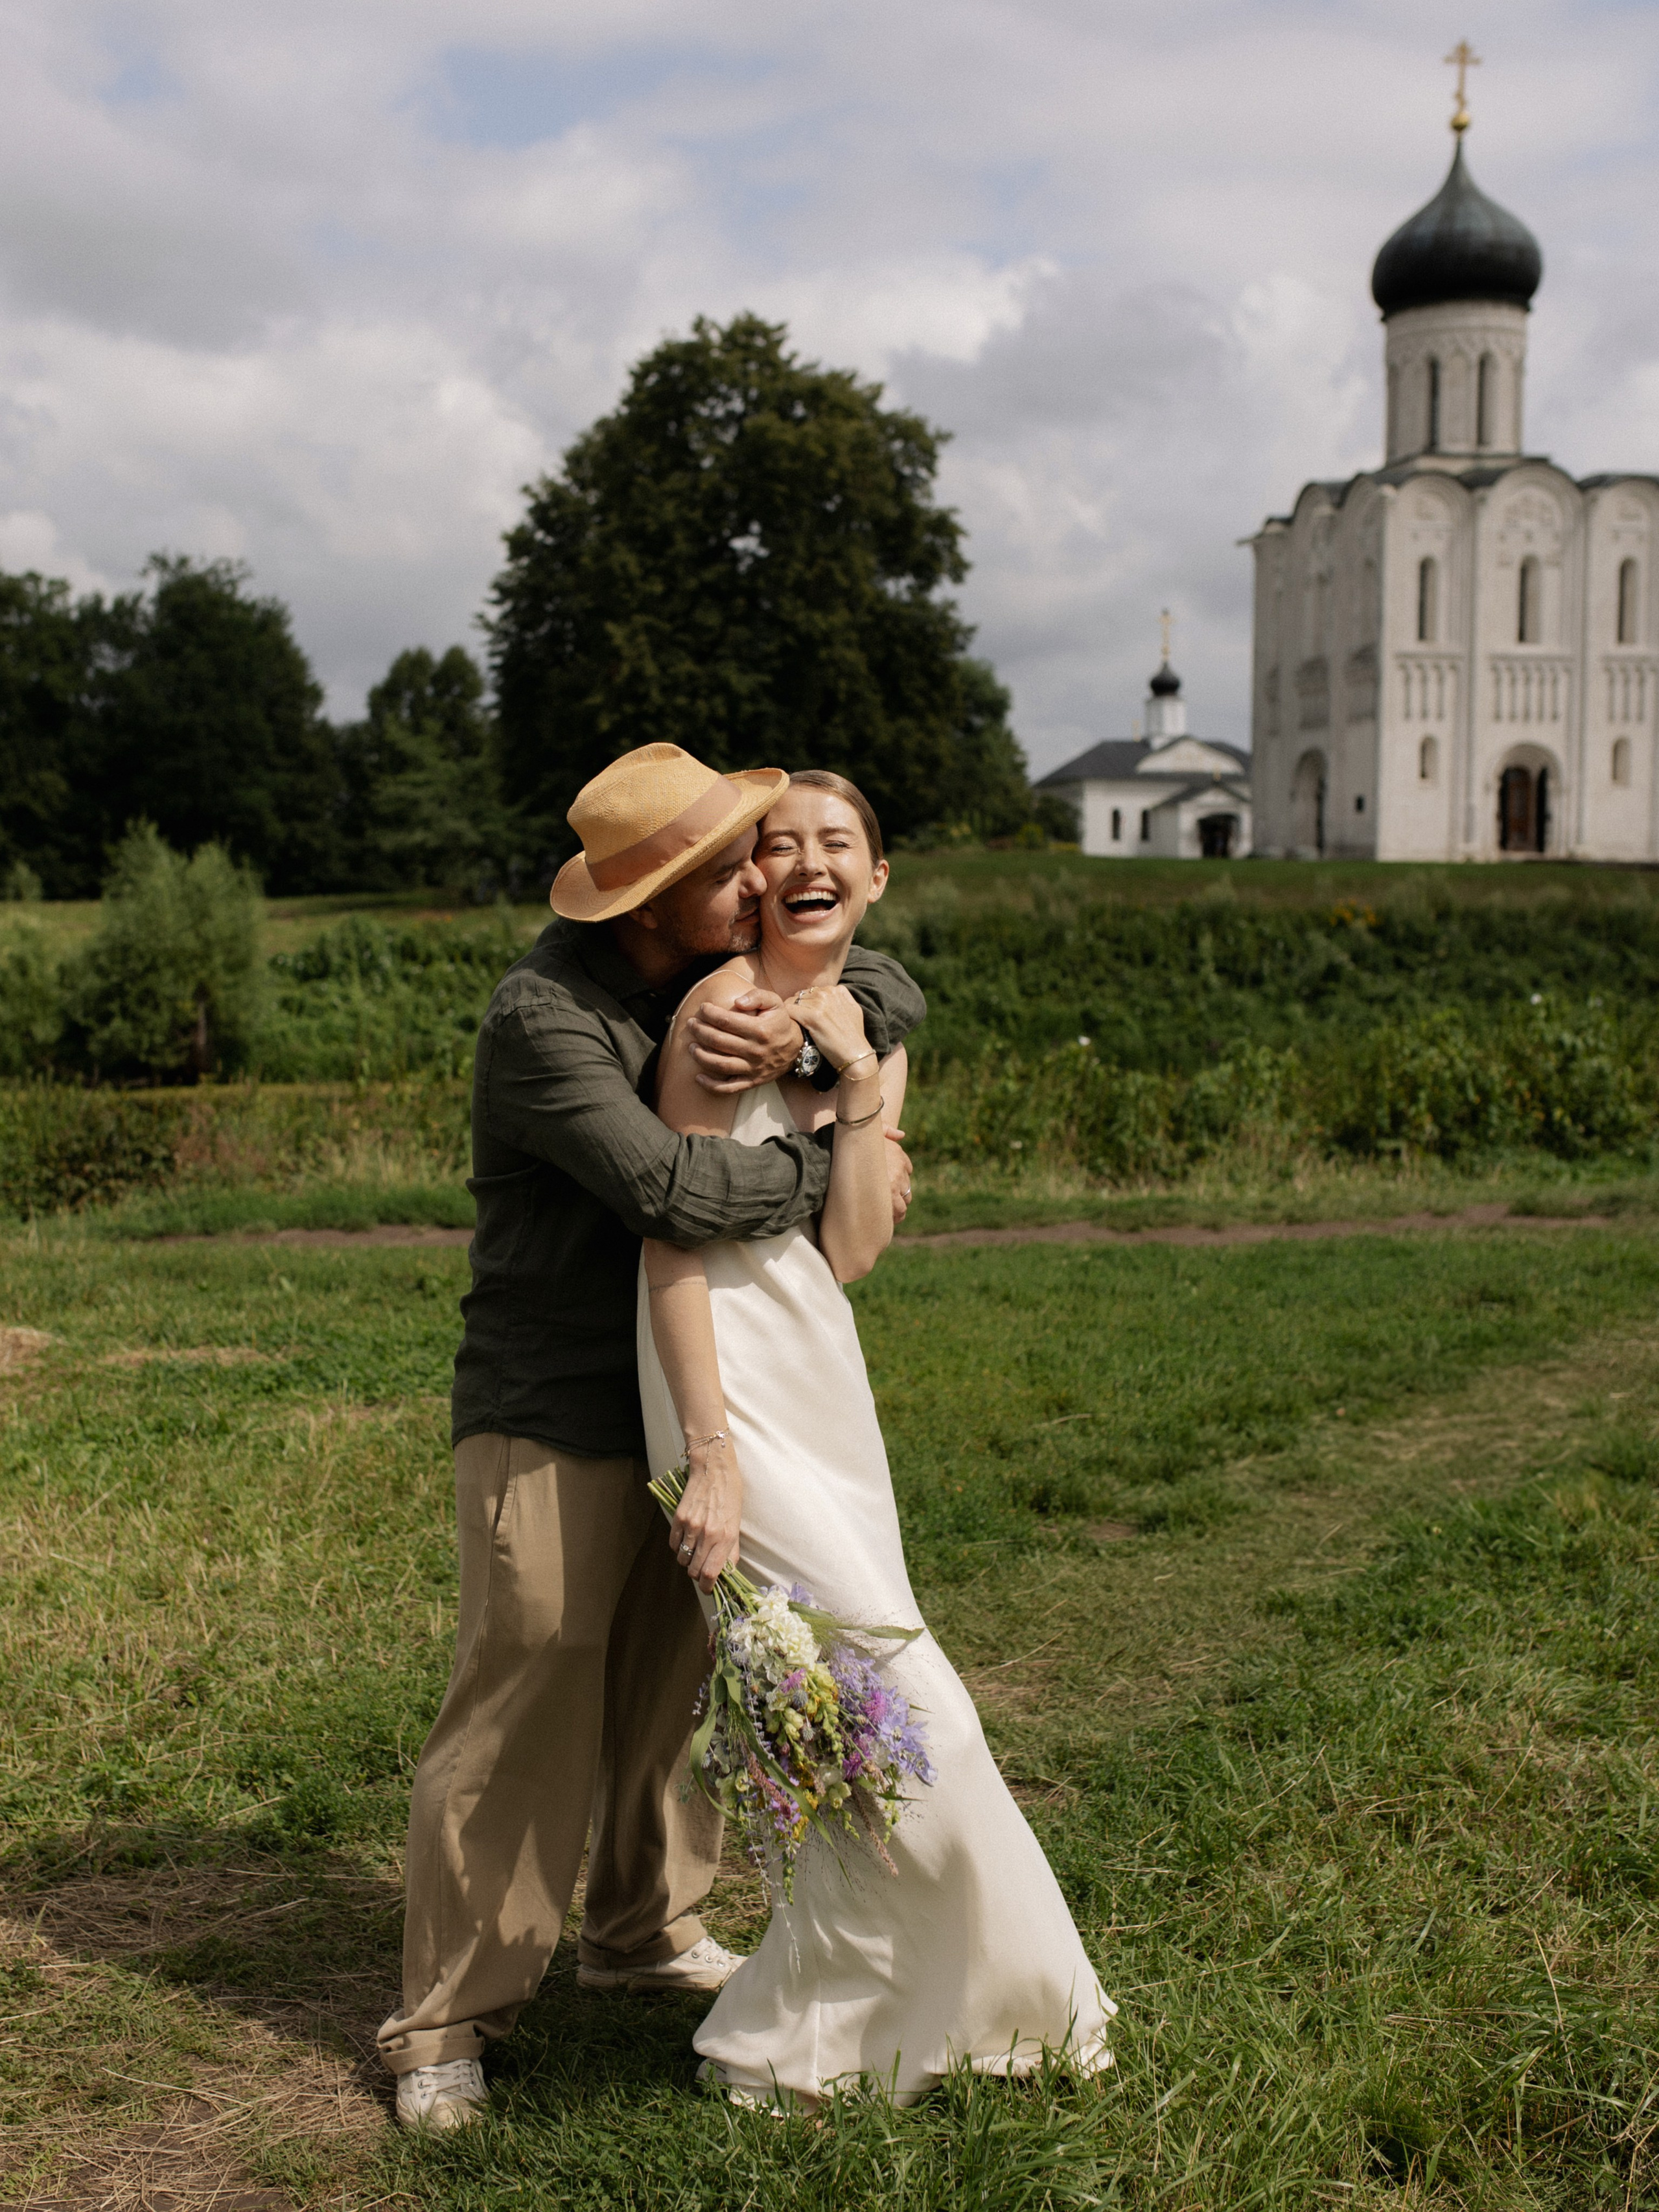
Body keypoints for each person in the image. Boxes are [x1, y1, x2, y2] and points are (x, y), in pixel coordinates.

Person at [378, 744, 925, 2129]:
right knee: (529, 1685)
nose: (764, 879)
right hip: (552, 1401)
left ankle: (642, 1931)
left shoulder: (704, 976)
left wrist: (826, 1036)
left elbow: (885, 980)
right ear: (652, 904)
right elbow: (671, 1189)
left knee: (670, 1676)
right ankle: (445, 2021)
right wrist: (841, 1150)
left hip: (685, 1398)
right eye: (736, 864)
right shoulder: (540, 1019)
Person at [639, 769, 1116, 2110]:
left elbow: (847, 1250)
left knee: (838, 1699)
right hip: (714, 1366)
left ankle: (870, 2016)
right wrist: (710, 1450)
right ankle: (849, 2016)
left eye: (834, 843)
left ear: (876, 875)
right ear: (749, 879)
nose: (805, 862)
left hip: (814, 1358)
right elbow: (671, 1232)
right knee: (907, 1709)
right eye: (777, 845)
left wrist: (854, 1076)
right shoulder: (719, 1012)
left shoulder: (877, 1031)